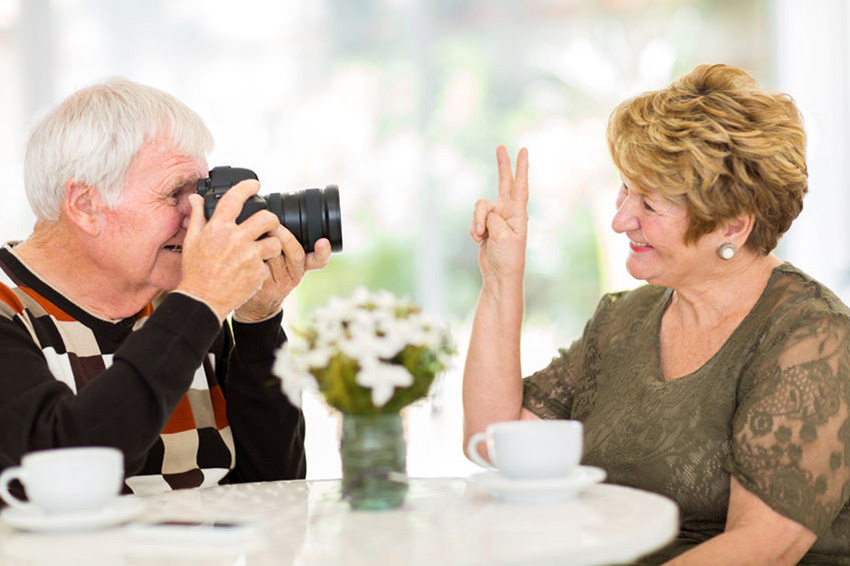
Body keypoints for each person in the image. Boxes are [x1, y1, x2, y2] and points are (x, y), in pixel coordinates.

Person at [464, 64, 850, 564]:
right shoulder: (623, 320)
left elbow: (762, 550)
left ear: (731, 226)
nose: (620, 218)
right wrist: (501, 279)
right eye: (625, 190)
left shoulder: (812, 337)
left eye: (648, 203)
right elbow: (493, 442)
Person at [0, 79, 331, 495]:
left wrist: (256, 321)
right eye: (177, 194)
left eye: (203, 194)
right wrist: (201, 300)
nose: (199, 219)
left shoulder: (179, 303)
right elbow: (66, 464)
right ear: (85, 205)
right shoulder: (9, 307)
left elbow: (273, 488)